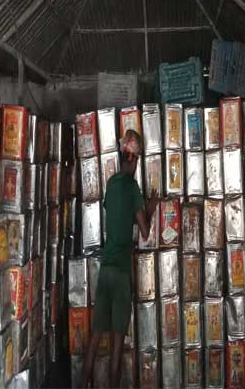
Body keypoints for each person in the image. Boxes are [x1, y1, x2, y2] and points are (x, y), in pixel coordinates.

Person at [82, 130, 158, 388]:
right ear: (134, 160)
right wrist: (152, 206)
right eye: (137, 160)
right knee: (116, 345)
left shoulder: (112, 183)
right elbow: (145, 232)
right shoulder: (133, 187)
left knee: (95, 336)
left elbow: (116, 214)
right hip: (123, 273)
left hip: (106, 269)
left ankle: (83, 384)